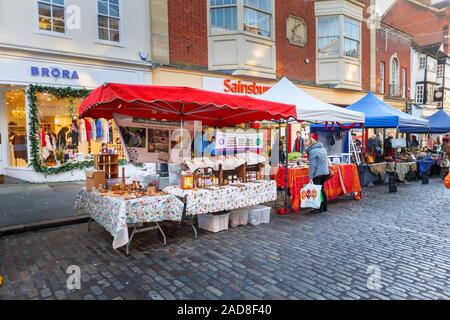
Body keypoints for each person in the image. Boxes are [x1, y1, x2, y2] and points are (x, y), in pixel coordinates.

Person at [305, 136, 330, 214]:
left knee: (318, 191)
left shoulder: (312, 151)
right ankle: (324, 207)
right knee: (322, 189)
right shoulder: (322, 148)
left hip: (318, 173)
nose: (306, 145)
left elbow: (313, 166)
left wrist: (310, 177)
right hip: (325, 172)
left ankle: (319, 208)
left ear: (310, 144)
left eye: (307, 144)